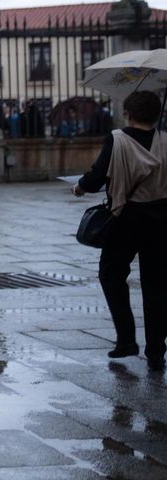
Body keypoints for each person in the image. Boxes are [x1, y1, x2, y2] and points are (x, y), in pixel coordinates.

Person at [73, 91, 167, 370]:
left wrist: (80, 186)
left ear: (128, 113)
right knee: (157, 284)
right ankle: (155, 350)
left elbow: (97, 177)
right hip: (162, 219)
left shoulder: (118, 139)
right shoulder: (165, 139)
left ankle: (126, 339)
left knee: (111, 274)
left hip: (127, 218)